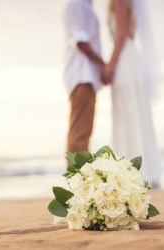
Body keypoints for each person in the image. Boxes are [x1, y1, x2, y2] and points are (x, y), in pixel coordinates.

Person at [103, 0, 161, 187]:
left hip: (124, 60)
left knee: (127, 113)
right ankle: (144, 172)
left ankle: (132, 174)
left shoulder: (119, 1)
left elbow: (122, 34)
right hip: (131, 57)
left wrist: (110, 65)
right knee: (135, 113)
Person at [64, 0, 105, 153]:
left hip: (86, 75)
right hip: (81, 74)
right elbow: (80, 41)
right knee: (80, 133)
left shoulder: (85, 5)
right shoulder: (77, 4)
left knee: (84, 132)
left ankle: (78, 175)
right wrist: (104, 65)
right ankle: (76, 176)